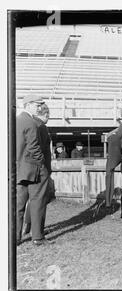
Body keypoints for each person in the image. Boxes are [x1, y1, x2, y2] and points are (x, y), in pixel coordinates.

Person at [16, 95, 50, 246]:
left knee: (18, 205)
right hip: (34, 168)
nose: (39, 107)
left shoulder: (16, 120)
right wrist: (41, 164)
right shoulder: (31, 122)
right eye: (37, 105)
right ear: (28, 105)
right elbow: (34, 147)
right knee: (38, 202)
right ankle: (37, 237)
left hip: (18, 168)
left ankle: (15, 237)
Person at [23, 103, 53, 237]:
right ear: (45, 115)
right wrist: (44, 168)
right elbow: (40, 149)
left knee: (28, 200)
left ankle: (27, 228)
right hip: (40, 169)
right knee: (40, 201)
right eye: (48, 115)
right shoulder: (41, 126)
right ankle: (37, 232)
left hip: (27, 168)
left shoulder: (30, 123)